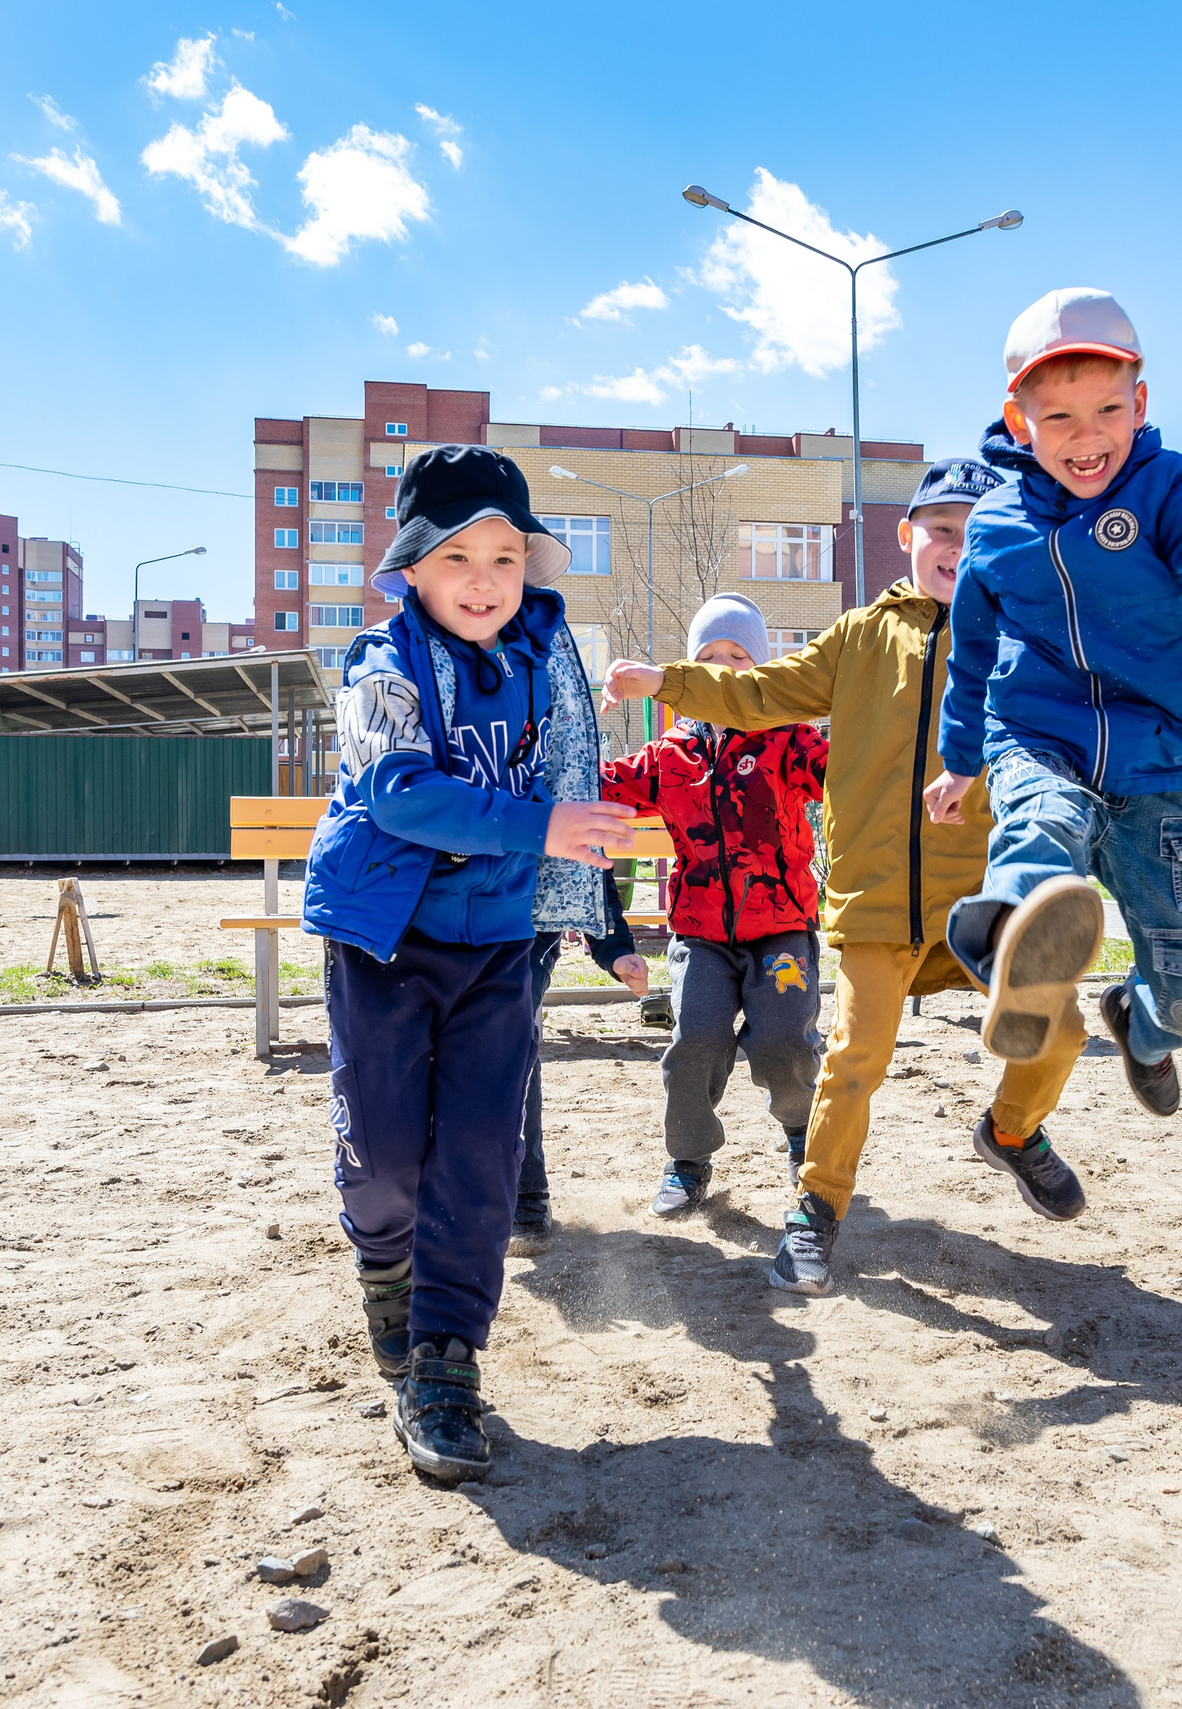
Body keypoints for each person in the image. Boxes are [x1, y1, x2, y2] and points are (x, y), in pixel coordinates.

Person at [601, 457, 1090, 1295]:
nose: (958, 547)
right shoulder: (859, 638)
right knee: (853, 1058)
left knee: (1062, 1023)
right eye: (942, 530)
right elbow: (761, 692)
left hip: (980, 899)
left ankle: (1013, 1130)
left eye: (979, 534)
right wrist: (668, 682)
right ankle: (815, 1211)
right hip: (875, 903)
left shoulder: (1023, 641)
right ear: (907, 536)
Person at [925, 287, 1182, 1128]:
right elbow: (970, 654)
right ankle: (1012, 943)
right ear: (1018, 421)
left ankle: (1140, 1023)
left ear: (1141, 403)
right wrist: (961, 759)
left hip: (1155, 762)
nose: (1087, 437)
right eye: (1059, 417)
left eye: (1108, 411)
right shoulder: (994, 526)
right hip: (1037, 734)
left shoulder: (1170, 488)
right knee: (1043, 823)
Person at [301, 445, 636, 1484]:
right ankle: (385, 1268)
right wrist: (543, 825)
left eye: (505, 557)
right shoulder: (380, 663)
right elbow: (398, 793)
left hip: (496, 935)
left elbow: (571, 786)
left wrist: (585, 878)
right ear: (410, 569)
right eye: (457, 557)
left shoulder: (543, 659)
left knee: (482, 1152)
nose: (484, 580)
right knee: (386, 1158)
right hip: (387, 934)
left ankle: (446, 1363)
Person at [599, 592, 829, 1219]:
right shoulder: (670, 755)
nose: (723, 669)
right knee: (696, 1040)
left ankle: (801, 1132)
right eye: (708, 658)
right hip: (701, 934)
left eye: (738, 656)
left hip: (781, 930)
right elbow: (602, 785)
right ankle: (688, 1159)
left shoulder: (789, 740)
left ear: (761, 670)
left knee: (783, 1043)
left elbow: (847, 776)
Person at [510, 868, 645, 1256]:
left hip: (524, 928)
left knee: (512, 1034)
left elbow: (587, 860)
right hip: (429, 918)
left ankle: (525, 1192)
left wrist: (614, 947)